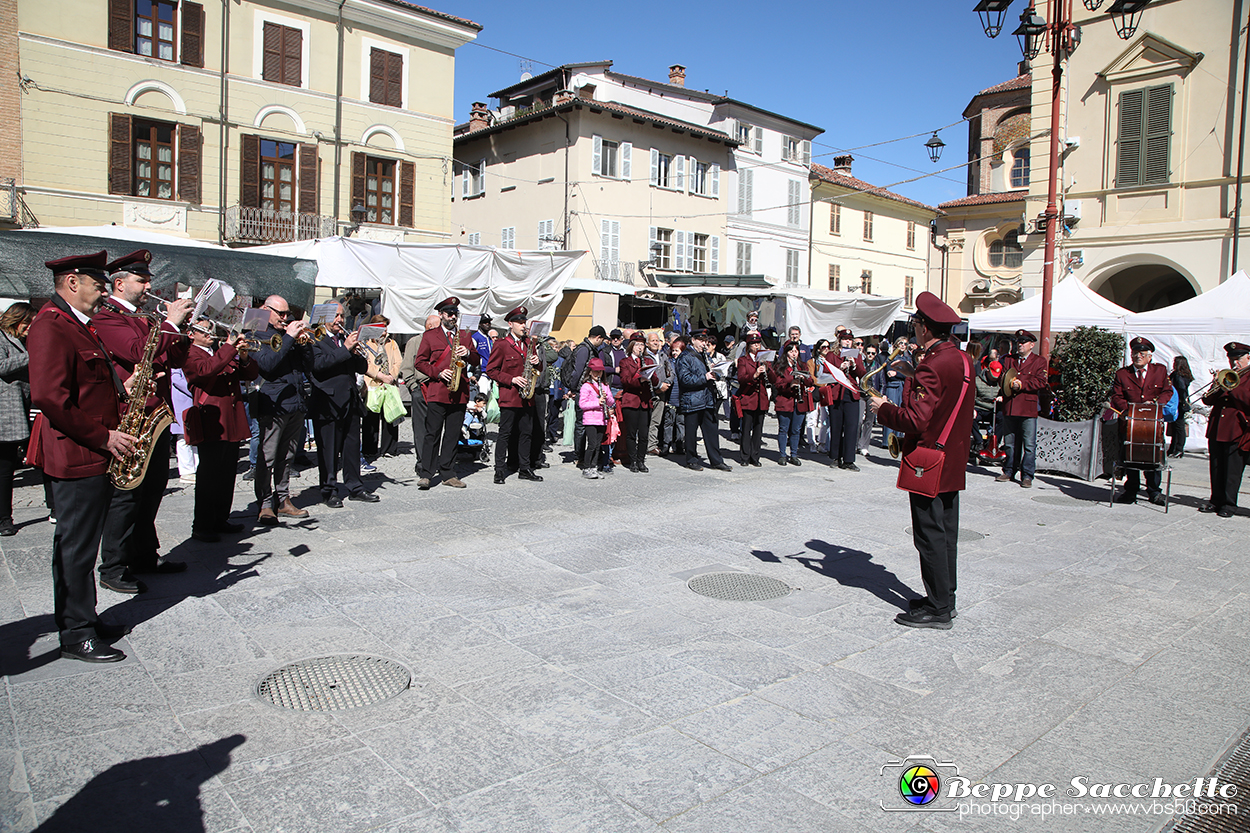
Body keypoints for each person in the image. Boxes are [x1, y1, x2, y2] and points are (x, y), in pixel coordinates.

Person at [28, 251, 137, 662]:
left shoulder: (78, 325)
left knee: (85, 544)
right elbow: (50, 397)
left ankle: (84, 616)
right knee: (75, 548)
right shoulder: (51, 325)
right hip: (77, 452)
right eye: (98, 283)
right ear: (72, 282)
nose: (104, 290)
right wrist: (104, 436)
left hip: (92, 450)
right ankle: (75, 634)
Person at [869, 292, 974, 630]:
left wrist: (883, 409)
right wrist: (913, 372)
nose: (914, 330)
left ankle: (938, 609)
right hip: (953, 457)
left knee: (929, 535)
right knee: (946, 533)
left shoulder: (932, 364)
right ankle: (945, 597)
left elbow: (916, 420)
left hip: (929, 458)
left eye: (915, 324)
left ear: (926, 328)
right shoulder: (961, 358)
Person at [92, 249, 192, 593]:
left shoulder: (145, 317)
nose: (148, 284)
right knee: (127, 493)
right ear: (119, 283)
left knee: (151, 490)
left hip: (154, 413)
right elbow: (136, 351)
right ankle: (113, 566)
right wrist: (170, 323)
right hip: (129, 415)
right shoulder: (107, 317)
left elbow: (173, 355)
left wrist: (182, 329)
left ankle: (144, 555)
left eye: (148, 278)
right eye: (141, 279)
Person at [183, 317, 258, 542]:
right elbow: (206, 371)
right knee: (209, 475)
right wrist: (228, 347)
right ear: (191, 334)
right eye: (204, 331)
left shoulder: (218, 352)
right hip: (212, 421)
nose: (210, 335)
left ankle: (220, 518)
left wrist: (243, 356)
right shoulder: (190, 354)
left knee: (226, 474)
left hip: (231, 420)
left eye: (210, 331)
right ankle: (202, 525)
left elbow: (250, 374)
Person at [308, 302, 380, 507]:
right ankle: (329, 490)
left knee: (351, 447)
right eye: (336, 316)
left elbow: (360, 367)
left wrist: (357, 353)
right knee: (328, 450)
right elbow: (319, 366)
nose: (340, 320)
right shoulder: (316, 338)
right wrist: (346, 349)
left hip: (349, 400)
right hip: (327, 401)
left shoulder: (342, 338)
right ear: (323, 317)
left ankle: (355, 486)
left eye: (341, 315)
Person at [252, 295, 314, 525]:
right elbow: (267, 364)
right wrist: (288, 337)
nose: (285, 318)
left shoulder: (289, 334)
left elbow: (308, 366)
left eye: (287, 313)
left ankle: (283, 498)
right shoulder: (256, 333)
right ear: (265, 310)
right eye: (280, 313)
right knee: (268, 456)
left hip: (295, 401)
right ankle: (266, 503)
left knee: (287, 456)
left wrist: (304, 344)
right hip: (273, 403)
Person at [414, 296, 480, 489]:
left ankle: (448, 473)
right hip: (438, 391)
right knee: (432, 433)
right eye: (449, 313)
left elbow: (476, 360)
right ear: (441, 315)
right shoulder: (429, 336)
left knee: (452, 434)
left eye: (455, 314)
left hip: (459, 392)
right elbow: (420, 362)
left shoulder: (465, 336)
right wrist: (438, 372)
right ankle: (426, 473)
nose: (453, 317)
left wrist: (468, 353)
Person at [1109, 336, 1173, 506]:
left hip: (1152, 423)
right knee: (1130, 455)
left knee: (1153, 455)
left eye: (1142, 353)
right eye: (1135, 353)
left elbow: (1167, 392)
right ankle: (1131, 490)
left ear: (1150, 356)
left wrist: (1155, 404)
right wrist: (1130, 409)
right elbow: (1116, 396)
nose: (1138, 356)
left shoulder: (1160, 371)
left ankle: (1154, 491)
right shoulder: (1122, 374)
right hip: (1130, 422)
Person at [485, 306, 544, 484]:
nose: (523, 325)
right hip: (510, 396)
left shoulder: (529, 343)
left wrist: (537, 362)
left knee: (526, 433)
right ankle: (499, 470)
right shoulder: (502, 344)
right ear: (510, 324)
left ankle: (524, 468)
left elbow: (539, 369)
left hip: (527, 397)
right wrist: (511, 379)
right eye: (519, 323)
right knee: (505, 434)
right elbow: (491, 370)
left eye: (524, 322)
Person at [1198, 341, 1250, 518]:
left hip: (1237, 429)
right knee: (1216, 466)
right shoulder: (1226, 375)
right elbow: (1208, 401)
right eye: (1232, 359)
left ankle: (1229, 503)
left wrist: (1231, 387)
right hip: (1217, 427)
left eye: (1238, 359)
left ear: (1248, 358)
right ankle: (1216, 500)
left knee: (1232, 470)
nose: (1234, 363)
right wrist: (1216, 385)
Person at [995, 329, 1048, 488]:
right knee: (1010, 442)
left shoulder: (1039, 361)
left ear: (1031, 345)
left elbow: (1041, 382)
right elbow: (1002, 378)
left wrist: (1022, 384)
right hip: (1010, 406)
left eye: (1023, 342)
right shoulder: (1009, 360)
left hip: (1027, 408)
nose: (1020, 345)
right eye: (1018, 342)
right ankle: (1009, 470)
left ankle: (1027, 475)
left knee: (1029, 444)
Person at [676, 330, 732, 472]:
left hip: (707, 399)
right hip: (693, 399)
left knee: (711, 431)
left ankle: (716, 460)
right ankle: (691, 459)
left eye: (705, 340)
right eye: (700, 340)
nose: (703, 343)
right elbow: (685, 379)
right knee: (691, 433)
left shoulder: (704, 355)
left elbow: (712, 375)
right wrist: (705, 377)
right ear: (692, 340)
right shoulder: (685, 357)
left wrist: (716, 372)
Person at [0, 303, 33, 536]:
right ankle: (3, 519)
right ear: (15, 320)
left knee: (8, 466)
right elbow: (1, 366)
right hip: (4, 412)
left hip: (15, 409)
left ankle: (4, 516)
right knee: (3, 467)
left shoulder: (19, 340)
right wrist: (32, 355)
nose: (30, 328)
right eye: (27, 322)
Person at [361, 315, 403, 459]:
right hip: (373, 384)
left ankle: (389, 449)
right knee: (371, 417)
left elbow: (398, 361)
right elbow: (366, 364)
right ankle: (369, 449)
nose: (384, 331)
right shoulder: (366, 343)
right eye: (380, 327)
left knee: (391, 416)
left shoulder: (392, 343)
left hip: (389, 384)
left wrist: (391, 376)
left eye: (385, 327)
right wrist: (380, 376)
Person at [402, 313, 440, 473]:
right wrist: (413, 387)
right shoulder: (415, 341)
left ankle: (433, 459)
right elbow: (407, 367)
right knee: (421, 428)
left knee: (435, 427)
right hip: (420, 387)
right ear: (430, 326)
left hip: (437, 388)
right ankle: (422, 462)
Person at [825, 330, 866, 471]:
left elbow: (862, 373)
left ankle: (849, 459)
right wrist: (839, 368)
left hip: (851, 393)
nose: (847, 342)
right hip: (837, 393)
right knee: (836, 426)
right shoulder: (832, 355)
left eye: (850, 339)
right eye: (844, 339)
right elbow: (826, 373)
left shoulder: (856, 355)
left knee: (851, 427)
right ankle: (835, 457)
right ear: (839, 341)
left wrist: (854, 365)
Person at [565, 325, 607, 463]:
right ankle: (580, 455)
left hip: (585, 389)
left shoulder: (589, 348)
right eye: (602, 340)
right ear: (598, 338)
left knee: (585, 424)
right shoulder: (584, 349)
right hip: (581, 390)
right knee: (581, 425)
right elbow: (578, 371)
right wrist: (573, 389)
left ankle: (588, 454)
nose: (602, 343)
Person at [770, 340, 811, 466]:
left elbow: (811, 382)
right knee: (783, 429)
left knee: (796, 430)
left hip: (799, 401)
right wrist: (790, 384)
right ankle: (782, 454)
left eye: (796, 351)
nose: (794, 353)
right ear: (786, 353)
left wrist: (804, 379)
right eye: (791, 351)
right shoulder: (780, 366)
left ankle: (793, 455)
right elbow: (777, 384)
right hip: (785, 400)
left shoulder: (802, 366)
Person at [618, 332, 653, 472]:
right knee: (631, 433)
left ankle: (641, 461)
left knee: (644, 434)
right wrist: (640, 378)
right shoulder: (625, 362)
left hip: (645, 401)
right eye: (638, 344)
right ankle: (632, 461)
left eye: (642, 344)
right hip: (631, 401)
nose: (640, 347)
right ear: (632, 346)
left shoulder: (648, 361)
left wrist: (652, 376)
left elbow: (655, 380)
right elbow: (625, 381)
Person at [734, 332, 769, 467]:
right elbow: (741, 378)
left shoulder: (764, 359)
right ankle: (744, 456)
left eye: (758, 343)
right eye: (754, 344)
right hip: (749, 398)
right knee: (746, 428)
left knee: (758, 429)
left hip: (761, 399)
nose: (757, 345)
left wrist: (767, 369)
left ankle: (755, 456)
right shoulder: (743, 360)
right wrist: (754, 375)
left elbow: (773, 379)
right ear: (749, 346)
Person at [578, 358, 613, 479]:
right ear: (590, 372)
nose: (598, 374)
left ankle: (594, 467)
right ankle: (586, 468)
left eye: (600, 371)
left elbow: (611, 402)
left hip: (602, 419)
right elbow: (582, 404)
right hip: (590, 419)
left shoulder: (605, 385)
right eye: (595, 371)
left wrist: (606, 396)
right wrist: (597, 402)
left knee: (598, 445)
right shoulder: (586, 386)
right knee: (592, 444)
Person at [645, 331, 673, 455]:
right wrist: (657, 386)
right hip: (648, 392)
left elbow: (671, 372)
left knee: (656, 420)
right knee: (645, 420)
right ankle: (642, 444)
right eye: (653, 340)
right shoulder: (644, 356)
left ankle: (652, 445)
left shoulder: (663, 355)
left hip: (662, 392)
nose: (656, 343)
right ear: (647, 343)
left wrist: (665, 384)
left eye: (657, 340)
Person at [1166, 355, 1193, 458]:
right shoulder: (1185, 375)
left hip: (1178, 403)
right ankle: (1174, 448)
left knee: (1178, 426)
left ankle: (1178, 449)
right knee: (1176, 426)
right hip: (1181, 402)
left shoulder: (1177, 375)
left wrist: (1181, 400)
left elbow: (1181, 388)